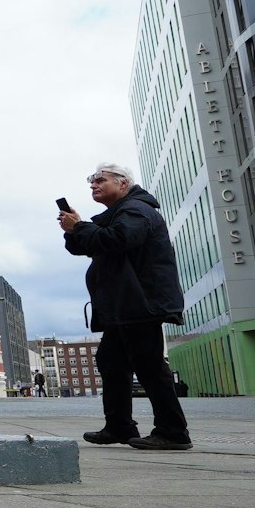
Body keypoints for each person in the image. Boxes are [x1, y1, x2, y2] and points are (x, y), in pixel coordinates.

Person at [60, 162, 190, 451]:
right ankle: (119, 425)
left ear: (122, 183)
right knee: (111, 361)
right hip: (124, 304)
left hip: (139, 303)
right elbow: (87, 245)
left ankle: (173, 432)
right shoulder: (117, 214)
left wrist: (80, 227)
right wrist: (74, 229)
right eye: (91, 181)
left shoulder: (137, 210)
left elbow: (118, 240)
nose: (93, 185)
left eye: (100, 180)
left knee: (150, 366)